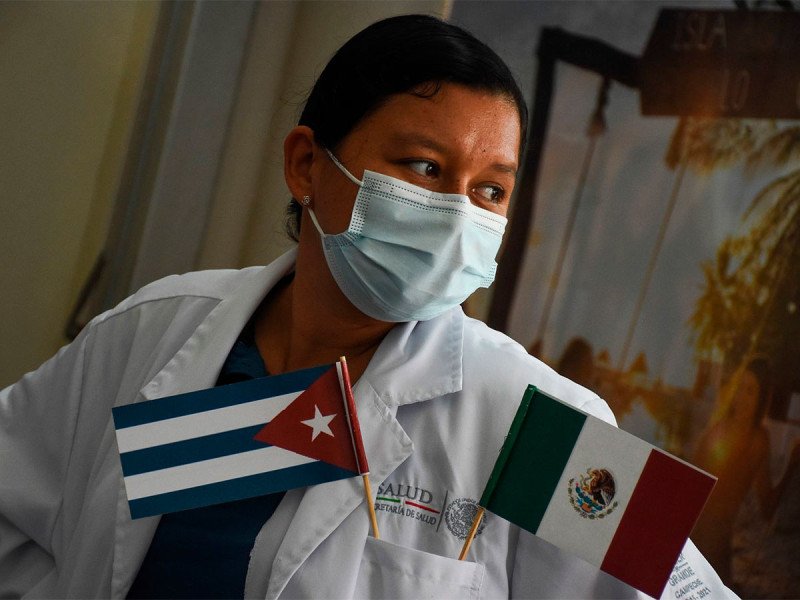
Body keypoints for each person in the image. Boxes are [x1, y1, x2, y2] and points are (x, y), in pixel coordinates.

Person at [0, 14, 734, 599]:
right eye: (424, 166)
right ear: (306, 165)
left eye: (490, 189)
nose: (457, 213)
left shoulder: (541, 424)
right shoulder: (156, 330)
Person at [692, 356, 800, 584]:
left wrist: (791, 464)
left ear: (761, 399)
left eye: (750, 391)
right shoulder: (719, 429)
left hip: (715, 551)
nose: (741, 397)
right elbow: (688, 484)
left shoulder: (757, 441)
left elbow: (767, 508)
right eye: (740, 387)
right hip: (694, 543)